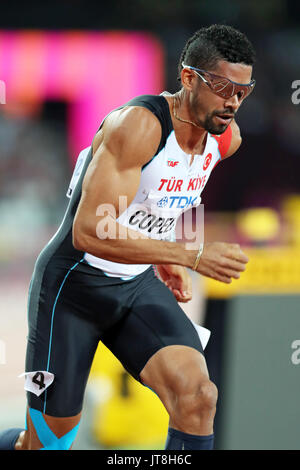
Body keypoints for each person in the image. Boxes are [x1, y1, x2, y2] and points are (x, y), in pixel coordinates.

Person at [0, 24, 255, 450]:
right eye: (223, 87)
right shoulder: (137, 125)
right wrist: (187, 255)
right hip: (73, 288)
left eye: (242, 92)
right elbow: (89, 230)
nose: (232, 102)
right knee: (47, 444)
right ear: (188, 78)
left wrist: (164, 257)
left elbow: (161, 197)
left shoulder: (225, 139)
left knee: (199, 397)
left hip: (135, 286)